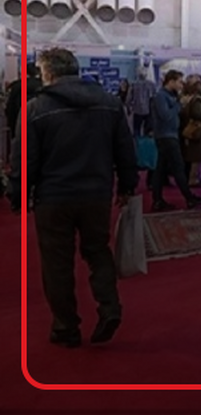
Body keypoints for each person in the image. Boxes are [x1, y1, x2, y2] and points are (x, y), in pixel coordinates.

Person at [25, 48, 138, 347]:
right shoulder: (110, 104)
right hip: (96, 194)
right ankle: (110, 308)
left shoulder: (35, 108)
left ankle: (66, 327)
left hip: (53, 198)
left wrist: (19, 193)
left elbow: (27, 159)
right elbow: (125, 149)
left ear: (47, 73)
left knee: (56, 264)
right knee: (98, 251)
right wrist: (127, 186)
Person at [150, 70, 201, 211]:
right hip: (166, 137)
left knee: (160, 170)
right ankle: (189, 198)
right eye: (179, 81)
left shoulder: (170, 96)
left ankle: (157, 200)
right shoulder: (161, 96)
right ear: (171, 81)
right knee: (178, 167)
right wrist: (179, 104)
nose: (181, 85)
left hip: (169, 135)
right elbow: (166, 116)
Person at [5, 65, 42, 213]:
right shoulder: (45, 86)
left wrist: (13, 128)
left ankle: (21, 200)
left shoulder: (17, 86)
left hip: (20, 128)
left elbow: (10, 109)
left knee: (22, 163)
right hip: (41, 130)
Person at [180, 78, 201, 187]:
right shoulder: (198, 100)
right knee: (196, 157)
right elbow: (198, 114)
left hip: (192, 131)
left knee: (194, 156)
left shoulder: (191, 98)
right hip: (196, 131)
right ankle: (193, 179)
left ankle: (193, 177)